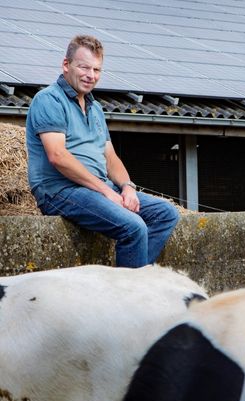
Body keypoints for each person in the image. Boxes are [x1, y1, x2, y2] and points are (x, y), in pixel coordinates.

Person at [26, 34, 179, 268]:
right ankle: (127, 297)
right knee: (133, 226)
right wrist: (106, 192)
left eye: (97, 69)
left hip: (97, 188)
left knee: (166, 214)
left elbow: (110, 158)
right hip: (60, 190)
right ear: (66, 65)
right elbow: (58, 156)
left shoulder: (95, 108)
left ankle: (133, 279)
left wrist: (127, 187)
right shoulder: (48, 100)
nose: (91, 75)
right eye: (84, 67)